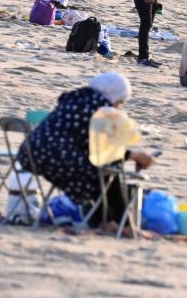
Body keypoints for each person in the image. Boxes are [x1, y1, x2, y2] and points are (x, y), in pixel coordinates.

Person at [18, 73, 155, 228]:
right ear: (113, 97)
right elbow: (106, 153)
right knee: (108, 171)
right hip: (56, 158)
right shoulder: (101, 109)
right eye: (120, 101)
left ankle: (108, 221)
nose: (118, 106)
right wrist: (136, 155)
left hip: (29, 154)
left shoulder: (77, 99)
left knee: (101, 169)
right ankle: (120, 225)